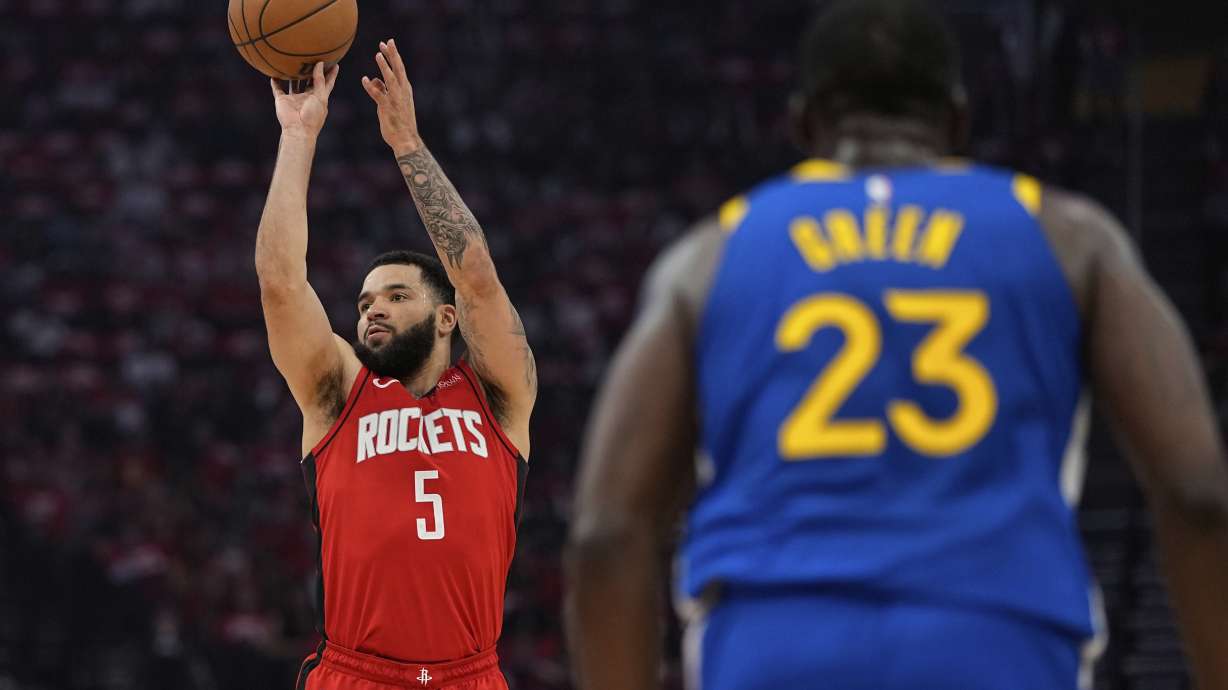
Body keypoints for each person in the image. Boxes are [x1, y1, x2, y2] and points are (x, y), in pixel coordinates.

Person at [565, 2, 1228, 689]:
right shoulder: (1071, 238)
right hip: (996, 639)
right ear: (958, 122)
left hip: (776, 642)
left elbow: (605, 535)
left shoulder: (708, 258)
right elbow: (1197, 494)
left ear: (804, 125)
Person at [255, 40, 535, 690]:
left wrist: (407, 144)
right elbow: (279, 282)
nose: (373, 309)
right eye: (364, 303)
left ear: (447, 317)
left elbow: (478, 277)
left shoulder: (497, 396)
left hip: (471, 676)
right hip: (356, 673)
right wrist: (298, 136)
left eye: (397, 296)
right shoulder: (337, 391)